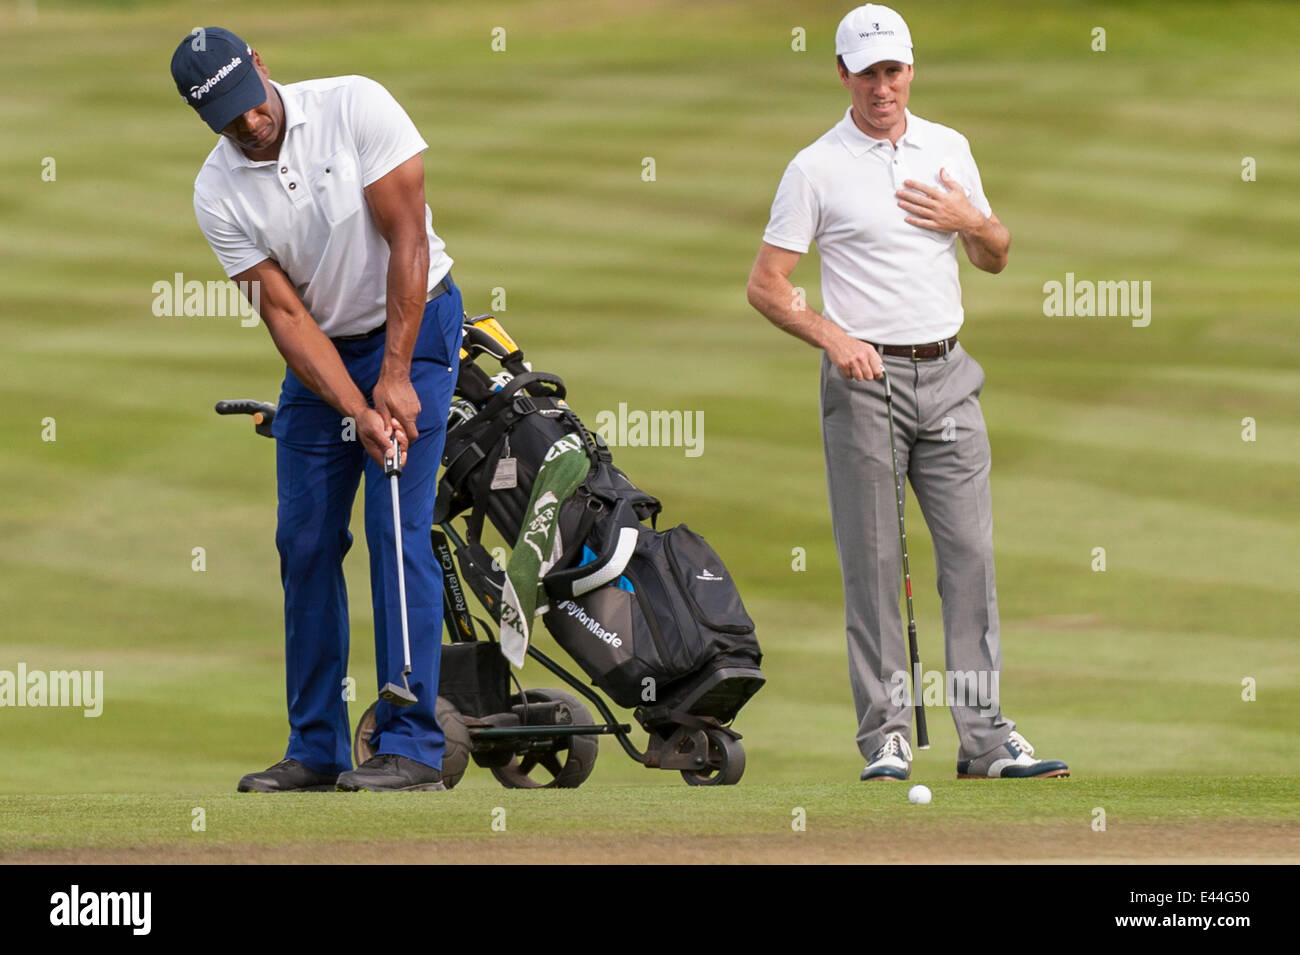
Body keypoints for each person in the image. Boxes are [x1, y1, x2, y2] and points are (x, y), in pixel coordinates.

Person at [746, 5, 1068, 781]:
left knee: (970, 558)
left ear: (910, 69)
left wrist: (970, 219)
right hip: (865, 385)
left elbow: (993, 254)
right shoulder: (814, 167)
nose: (882, 87)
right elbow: (767, 284)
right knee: (875, 565)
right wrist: (836, 339)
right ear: (842, 75)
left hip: (951, 377)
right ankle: (886, 733)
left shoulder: (949, 149)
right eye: (867, 73)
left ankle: (985, 737)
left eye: (893, 71)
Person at [170, 27, 464, 792]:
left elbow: (409, 241)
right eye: (225, 116)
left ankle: (411, 746)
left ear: (262, 66)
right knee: (303, 539)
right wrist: (353, 406)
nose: (248, 123)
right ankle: (317, 746)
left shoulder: (355, 105)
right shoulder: (216, 191)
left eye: (249, 101)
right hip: (323, 352)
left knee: (393, 525)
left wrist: (394, 379)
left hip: (416, 325)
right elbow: (288, 318)